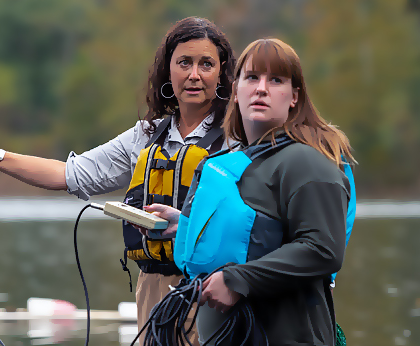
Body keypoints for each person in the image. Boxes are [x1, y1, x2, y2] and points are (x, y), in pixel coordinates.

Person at [0, 16, 236, 345]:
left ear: (221, 72)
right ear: (168, 70)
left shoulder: (237, 139)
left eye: (206, 64)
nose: (194, 74)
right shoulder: (145, 136)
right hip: (151, 288)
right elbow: (67, 174)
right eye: (184, 62)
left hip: (212, 288)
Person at [146, 38, 355, 346]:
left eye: (276, 80)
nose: (261, 88)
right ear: (236, 89)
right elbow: (254, 231)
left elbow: (322, 248)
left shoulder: (308, 162)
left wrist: (236, 279)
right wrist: (187, 224)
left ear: (294, 97)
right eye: (252, 77)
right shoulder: (238, 161)